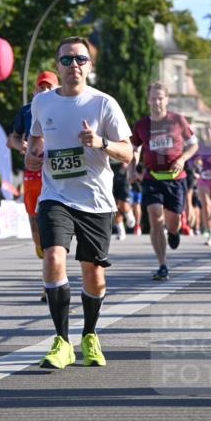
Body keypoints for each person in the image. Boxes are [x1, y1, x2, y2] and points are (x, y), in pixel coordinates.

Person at [26, 37, 133, 369]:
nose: (74, 65)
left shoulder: (103, 104)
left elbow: (128, 153)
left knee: (93, 274)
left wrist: (101, 143)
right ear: (57, 66)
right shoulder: (42, 103)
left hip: (95, 200)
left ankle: (89, 334)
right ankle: (61, 340)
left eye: (80, 59)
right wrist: (32, 156)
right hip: (55, 195)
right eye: (67, 60)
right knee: (53, 257)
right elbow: (34, 140)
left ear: (90, 66)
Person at [128, 81, 198, 281]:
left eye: (160, 98)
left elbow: (193, 145)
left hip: (176, 180)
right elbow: (134, 149)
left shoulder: (177, 120)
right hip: (152, 178)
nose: (157, 102)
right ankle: (162, 264)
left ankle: (174, 232)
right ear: (148, 100)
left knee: (172, 222)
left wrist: (182, 159)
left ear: (166, 100)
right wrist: (131, 169)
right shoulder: (141, 125)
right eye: (153, 98)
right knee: (155, 218)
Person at [7, 70, 59, 300]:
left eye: (49, 87)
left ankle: (49, 282)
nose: (44, 91)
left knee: (54, 226)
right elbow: (12, 138)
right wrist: (22, 146)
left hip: (57, 172)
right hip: (33, 172)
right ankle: (45, 255)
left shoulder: (65, 107)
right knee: (35, 222)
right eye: (41, 87)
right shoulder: (26, 111)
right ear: (35, 90)